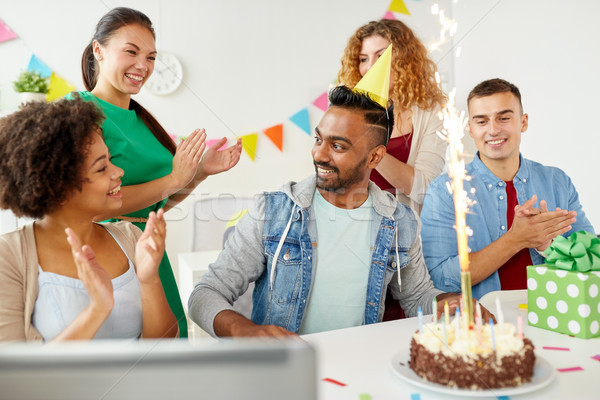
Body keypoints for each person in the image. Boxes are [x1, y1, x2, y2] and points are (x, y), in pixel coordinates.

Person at [188, 86, 491, 338]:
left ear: (374, 156)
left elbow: (416, 296)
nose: (319, 154)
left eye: (338, 146)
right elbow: (205, 294)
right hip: (283, 373)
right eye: (319, 139)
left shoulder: (399, 222)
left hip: (354, 372)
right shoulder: (273, 211)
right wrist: (244, 331)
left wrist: (444, 303)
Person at [77, 7, 243, 337]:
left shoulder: (141, 119)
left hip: (151, 255)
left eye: (151, 57)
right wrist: (175, 178)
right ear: (99, 50)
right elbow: (88, 205)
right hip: (110, 261)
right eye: (131, 51)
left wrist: (198, 174)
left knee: (169, 365)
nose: (143, 66)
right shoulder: (78, 112)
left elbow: (154, 206)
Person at [0, 97, 178, 341]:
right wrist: (97, 309)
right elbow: (14, 373)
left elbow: (162, 346)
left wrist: (149, 281)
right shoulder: (8, 256)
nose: (119, 172)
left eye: (111, 160)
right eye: (102, 168)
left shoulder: (129, 237)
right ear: (59, 187)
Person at [420, 78, 595, 300]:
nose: (493, 130)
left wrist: (547, 245)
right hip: (487, 326)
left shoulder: (557, 182)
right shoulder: (444, 191)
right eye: (481, 122)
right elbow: (441, 280)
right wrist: (516, 239)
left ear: (523, 122)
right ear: (470, 129)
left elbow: (592, 260)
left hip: (554, 318)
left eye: (503, 118)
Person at [338, 19, 447, 213]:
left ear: (404, 60)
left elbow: (425, 190)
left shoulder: (431, 112)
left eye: (380, 56)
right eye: (363, 59)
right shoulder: (346, 112)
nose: (371, 67)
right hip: (355, 222)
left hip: (405, 232)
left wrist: (366, 146)